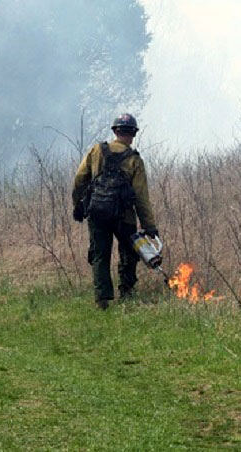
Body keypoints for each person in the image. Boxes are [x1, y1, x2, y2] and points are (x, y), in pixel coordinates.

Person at [72, 113, 159, 309]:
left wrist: (77, 204)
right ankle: (126, 294)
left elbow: (79, 178)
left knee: (100, 254)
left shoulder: (97, 151)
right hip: (124, 216)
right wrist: (149, 226)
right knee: (128, 254)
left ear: (115, 131)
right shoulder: (135, 160)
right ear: (133, 134)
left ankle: (102, 299)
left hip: (97, 212)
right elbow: (141, 197)